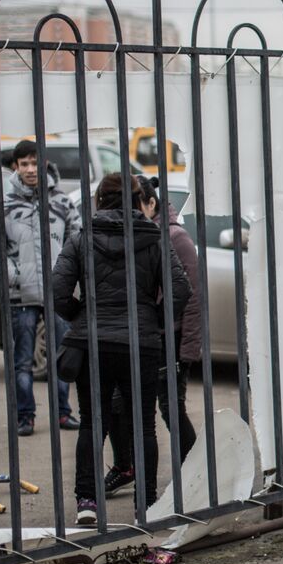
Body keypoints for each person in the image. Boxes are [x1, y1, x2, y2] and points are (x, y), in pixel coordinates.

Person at [52, 173, 190, 524]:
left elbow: (57, 291)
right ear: (136, 200)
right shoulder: (155, 239)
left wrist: (82, 316)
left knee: (91, 423)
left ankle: (87, 501)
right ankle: (146, 504)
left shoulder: (81, 238)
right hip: (140, 344)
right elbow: (180, 289)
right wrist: (153, 318)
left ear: (99, 200)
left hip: (93, 344)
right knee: (144, 426)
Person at [103, 175, 202, 495]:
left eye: (137, 205)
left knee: (171, 408)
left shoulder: (175, 237)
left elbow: (193, 296)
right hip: (139, 337)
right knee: (117, 405)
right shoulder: (137, 233)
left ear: (151, 203)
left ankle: (196, 473)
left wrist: (187, 349)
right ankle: (126, 466)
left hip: (170, 339)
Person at [0, 140, 80, 436]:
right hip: (20, 296)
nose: (29, 169)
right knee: (21, 361)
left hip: (57, 295)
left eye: (34, 163)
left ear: (44, 164)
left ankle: (63, 413)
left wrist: (66, 276)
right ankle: (25, 416)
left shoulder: (62, 202)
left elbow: (77, 241)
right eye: (24, 164)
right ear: (16, 166)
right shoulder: (2, 205)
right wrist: (12, 275)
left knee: (63, 357)